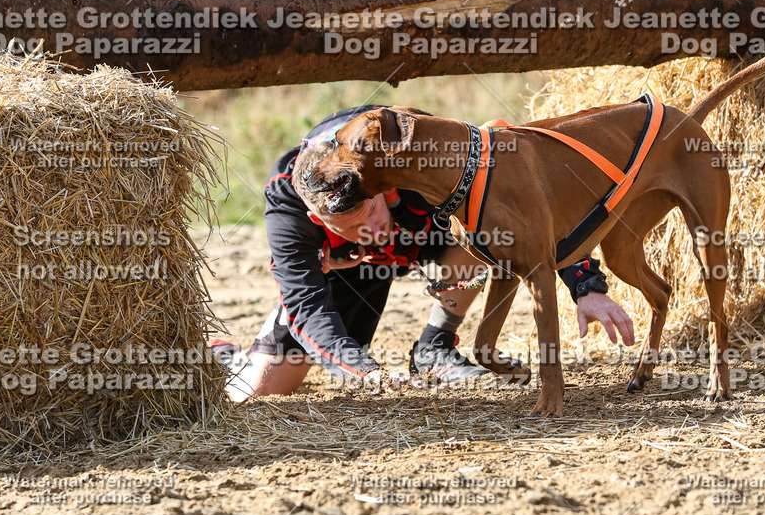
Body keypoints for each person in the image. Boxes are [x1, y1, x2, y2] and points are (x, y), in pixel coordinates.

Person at [213, 105, 635, 401]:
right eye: (355, 228)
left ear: (379, 182)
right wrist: (365, 369)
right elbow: (306, 303)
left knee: (484, 229)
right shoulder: (288, 208)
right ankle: (228, 357)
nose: (374, 230)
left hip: (429, 240)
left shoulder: (402, 148)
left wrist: (585, 285)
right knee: (262, 389)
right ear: (317, 220)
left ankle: (435, 347)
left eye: (373, 211)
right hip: (350, 274)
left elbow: (530, 209)